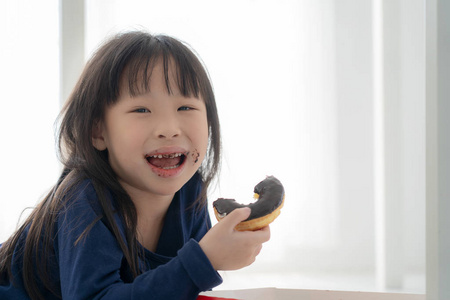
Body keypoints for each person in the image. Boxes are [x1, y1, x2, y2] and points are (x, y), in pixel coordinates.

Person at [0, 31, 270, 300]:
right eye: (142, 110)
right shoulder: (84, 198)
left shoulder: (190, 190)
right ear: (98, 131)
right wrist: (204, 260)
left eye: (186, 107)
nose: (168, 129)